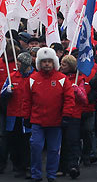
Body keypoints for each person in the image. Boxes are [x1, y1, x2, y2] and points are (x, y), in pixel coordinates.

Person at [24, 46, 75, 182]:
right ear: (39, 63)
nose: (47, 64)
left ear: (54, 63)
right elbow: (26, 99)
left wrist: (66, 115)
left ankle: (51, 175)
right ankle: (36, 174)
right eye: (44, 61)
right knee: (36, 147)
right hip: (37, 121)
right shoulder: (32, 79)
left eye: (49, 61)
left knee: (53, 150)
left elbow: (69, 99)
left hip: (55, 122)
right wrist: (26, 116)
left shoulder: (62, 79)